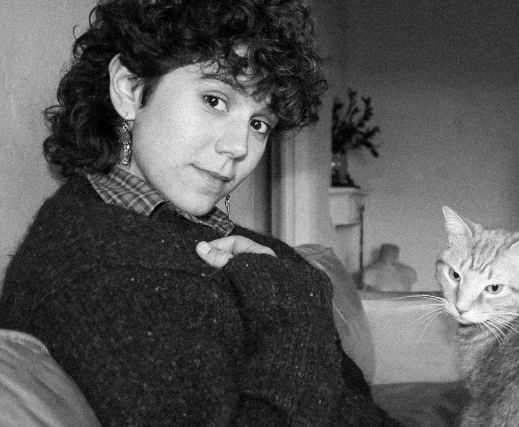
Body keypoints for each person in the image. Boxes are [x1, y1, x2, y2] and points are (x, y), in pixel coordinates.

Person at [0, 1, 403, 426]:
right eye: (215, 100)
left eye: (259, 123)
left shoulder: (205, 237)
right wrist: (294, 307)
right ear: (130, 88)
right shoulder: (106, 274)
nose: (239, 147)